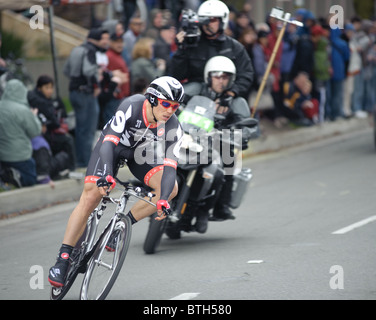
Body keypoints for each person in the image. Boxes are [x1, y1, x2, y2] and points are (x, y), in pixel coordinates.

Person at [48, 76, 184, 287]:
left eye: (175, 107)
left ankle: (121, 225)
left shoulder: (173, 125)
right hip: (112, 148)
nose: (170, 111)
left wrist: (164, 199)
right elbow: (109, 143)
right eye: (166, 104)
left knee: (171, 188)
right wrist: (108, 174)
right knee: (92, 194)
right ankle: (63, 259)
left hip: (140, 155)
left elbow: (170, 166)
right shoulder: (131, 105)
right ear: (153, 99)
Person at [182, 56, 252, 231]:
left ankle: (215, 207)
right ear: (208, 76)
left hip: (216, 143)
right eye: (217, 76)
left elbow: (246, 125)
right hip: (190, 135)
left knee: (226, 162)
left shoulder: (236, 101)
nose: (221, 81)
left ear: (231, 79)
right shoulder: (197, 89)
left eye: (225, 77)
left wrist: (242, 134)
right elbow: (177, 98)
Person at [169, 0, 254, 100]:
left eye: (213, 20)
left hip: (226, 96)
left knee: (241, 107)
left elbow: (246, 74)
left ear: (223, 21)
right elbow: (175, 75)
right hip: (196, 98)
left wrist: (232, 92)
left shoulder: (234, 47)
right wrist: (181, 50)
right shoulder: (192, 45)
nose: (208, 24)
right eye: (204, 19)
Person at [63, 28, 109, 168]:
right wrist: (96, 82)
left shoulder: (76, 49)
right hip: (86, 93)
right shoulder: (90, 50)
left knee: (80, 129)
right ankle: (86, 163)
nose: (105, 42)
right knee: (88, 130)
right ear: (96, 39)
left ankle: (79, 161)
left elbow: (66, 71)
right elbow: (88, 71)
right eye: (103, 39)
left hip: (74, 92)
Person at [27, 75, 76, 173]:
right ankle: (72, 168)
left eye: (51, 87)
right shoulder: (40, 102)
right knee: (68, 141)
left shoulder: (46, 100)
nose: (50, 91)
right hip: (44, 135)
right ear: (39, 88)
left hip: (49, 132)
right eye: (47, 88)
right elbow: (52, 122)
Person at [0, 79, 41, 187]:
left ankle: (7, 177)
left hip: (2, 154)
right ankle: (17, 176)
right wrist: (34, 116)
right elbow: (35, 131)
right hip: (20, 155)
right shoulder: (22, 110)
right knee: (30, 179)